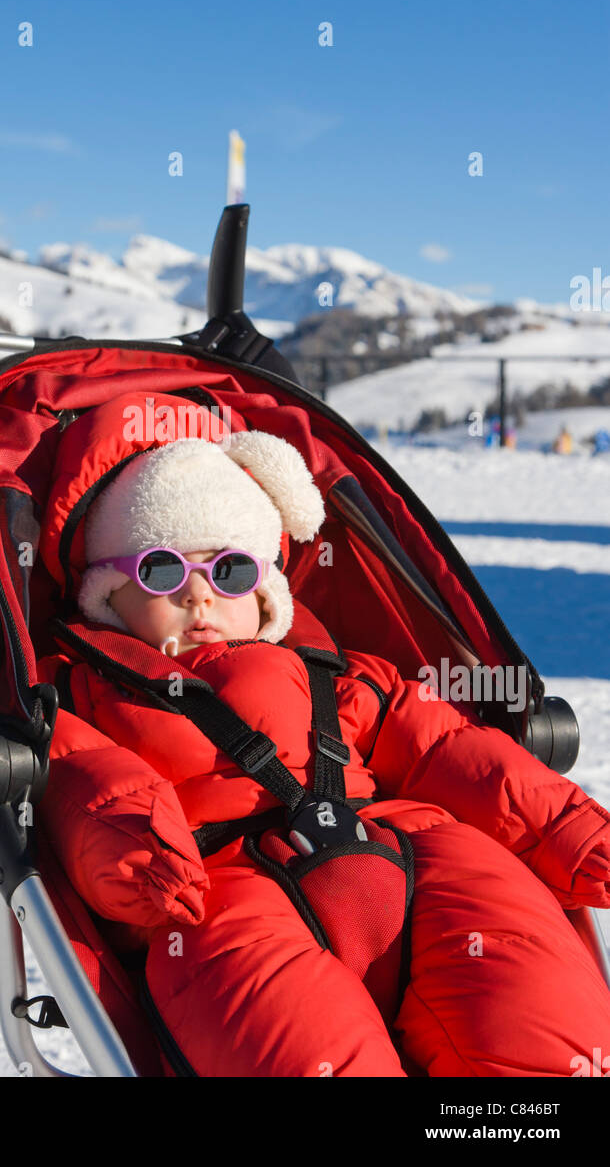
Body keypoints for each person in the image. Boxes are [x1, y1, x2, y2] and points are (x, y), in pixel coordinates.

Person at [35, 398, 610, 1078]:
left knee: (510, 943)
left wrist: (568, 825)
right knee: (274, 1017)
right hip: (222, 885)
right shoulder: (86, 691)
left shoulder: (337, 676)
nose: (200, 597)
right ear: (106, 593)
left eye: (230, 571)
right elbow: (86, 777)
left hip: (404, 846)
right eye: (163, 571)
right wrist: (140, 854)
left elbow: (445, 748)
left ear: (267, 591)